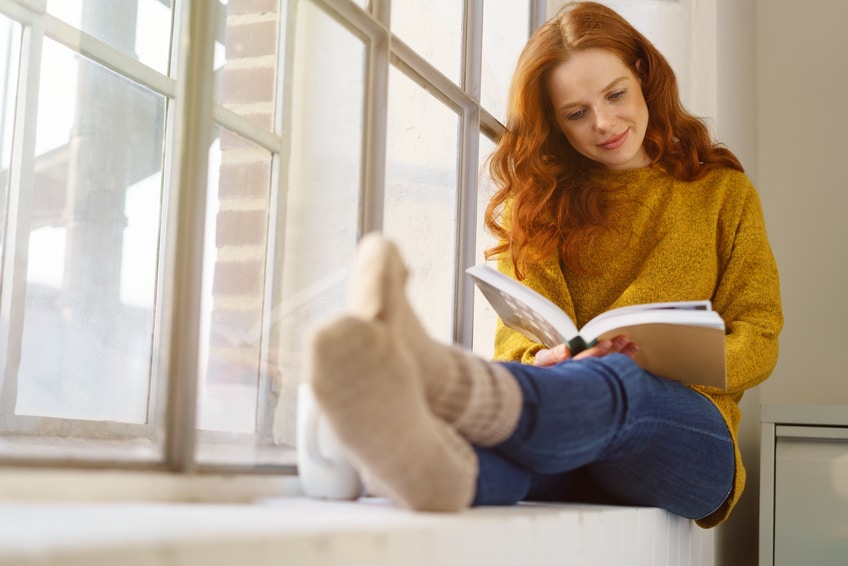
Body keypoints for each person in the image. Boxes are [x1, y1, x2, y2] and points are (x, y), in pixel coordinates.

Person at [306, 1, 782, 529]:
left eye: (616, 94)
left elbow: (758, 338)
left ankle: (436, 374)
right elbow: (517, 345)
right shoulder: (535, 209)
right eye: (576, 113)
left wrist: (657, 360)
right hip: (571, 427)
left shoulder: (722, 194)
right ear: (554, 124)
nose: (603, 123)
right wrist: (549, 358)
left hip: (689, 442)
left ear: (643, 75)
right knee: (493, 457)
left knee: (622, 380)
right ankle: (412, 464)